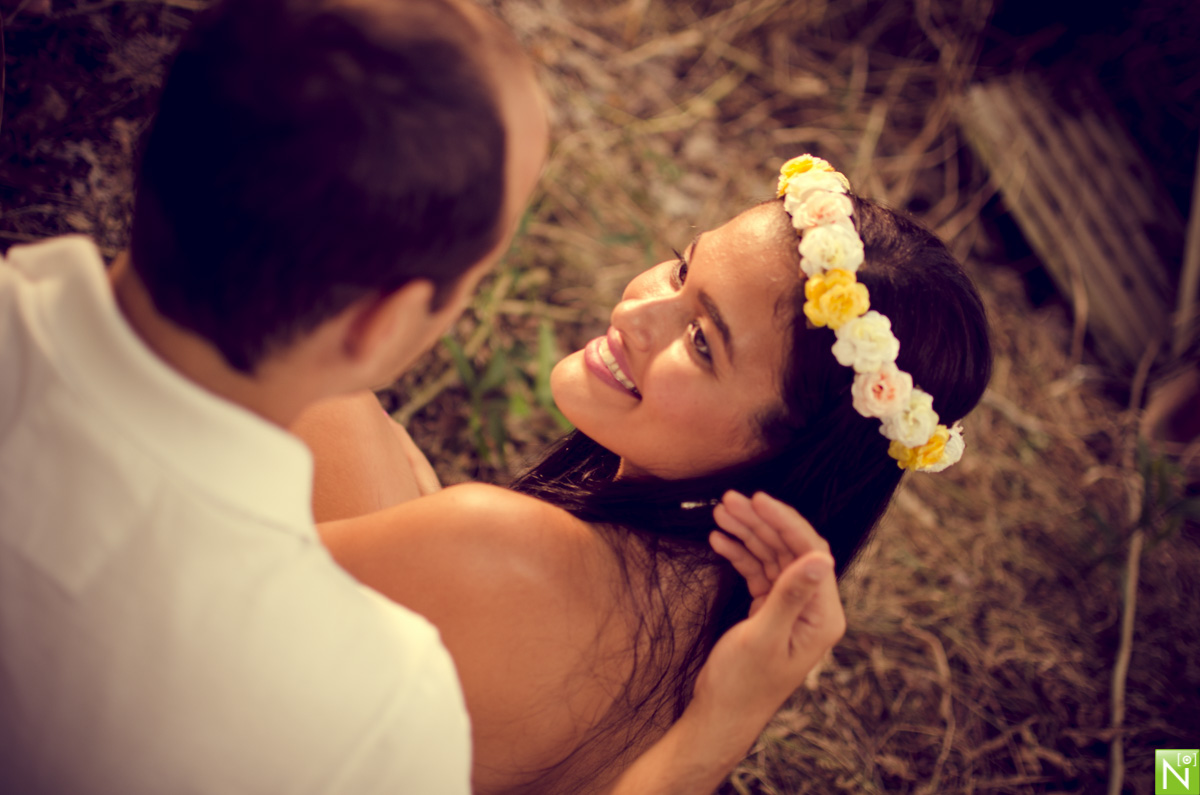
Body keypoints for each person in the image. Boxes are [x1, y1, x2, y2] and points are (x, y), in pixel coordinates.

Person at [0, 0, 843, 792]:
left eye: (701, 338)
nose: (636, 309)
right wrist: (716, 732)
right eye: (478, 269)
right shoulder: (384, 708)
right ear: (385, 319)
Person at [295, 157, 994, 793]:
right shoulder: (724, 641)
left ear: (785, 451)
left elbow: (209, 582)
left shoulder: (505, 549)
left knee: (299, 372)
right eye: (682, 270)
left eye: (700, 341)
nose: (634, 312)